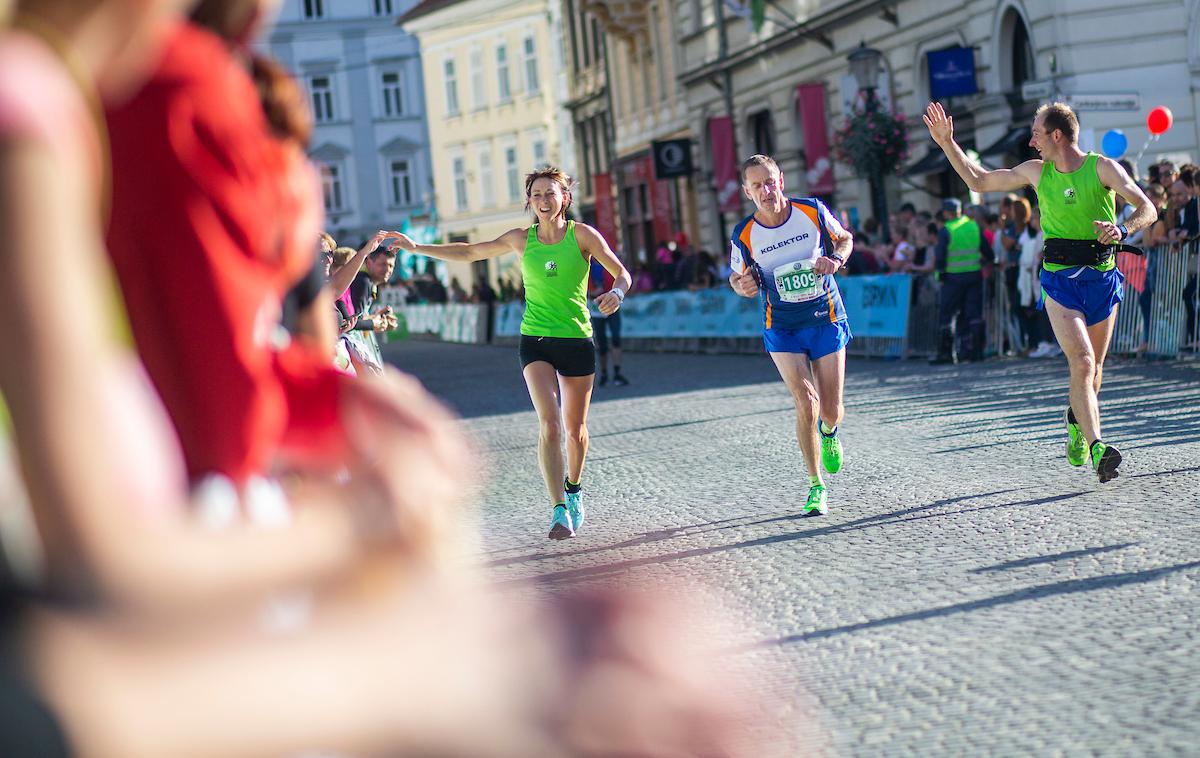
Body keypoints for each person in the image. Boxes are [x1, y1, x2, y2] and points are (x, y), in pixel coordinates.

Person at [387, 167, 632, 540]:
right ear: (529, 202)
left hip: (577, 338)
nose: (544, 201)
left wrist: (617, 293)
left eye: (551, 193)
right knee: (549, 423)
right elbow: (470, 252)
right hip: (534, 339)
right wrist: (416, 248)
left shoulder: (583, 235)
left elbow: (622, 274)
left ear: (565, 197)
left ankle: (574, 489)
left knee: (575, 429)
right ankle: (558, 510)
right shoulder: (521, 239)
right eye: (537, 195)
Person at [924, 100, 1155, 482]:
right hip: (1060, 281)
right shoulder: (1036, 172)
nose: (1032, 142)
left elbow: (1146, 206)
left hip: (1101, 278)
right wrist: (948, 143)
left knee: (1095, 371)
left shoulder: (1102, 168)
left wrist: (1123, 229)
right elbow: (979, 181)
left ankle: (1075, 418)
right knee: (1080, 362)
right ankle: (1099, 447)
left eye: (1036, 134)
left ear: (1057, 135)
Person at [728, 154, 854, 516]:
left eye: (769, 182)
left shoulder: (812, 211)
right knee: (807, 402)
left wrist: (837, 260)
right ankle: (816, 485)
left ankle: (829, 432)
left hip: (825, 317)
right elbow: (736, 278)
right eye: (757, 186)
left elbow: (843, 239)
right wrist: (744, 286)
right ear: (747, 192)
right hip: (781, 325)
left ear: (780, 179)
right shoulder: (744, 234)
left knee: (830, 410)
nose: (766, 191)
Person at [929, 198, 988, 364]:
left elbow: (940, 257)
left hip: (953, 278)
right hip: (974, 276)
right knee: (974, 313)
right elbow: (986, 250)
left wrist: (940, 275)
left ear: (947, 213)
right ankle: (976, 352)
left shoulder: (946, 229)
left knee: (947, 315)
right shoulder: (973, 226)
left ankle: (947, 354)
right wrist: (990, 261)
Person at [587, 257, 629, 387]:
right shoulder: (588, 264)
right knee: (602, 343)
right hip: (596, 307)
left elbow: (621, 277)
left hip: (612, 305)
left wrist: (615, 294)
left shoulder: (610, 263)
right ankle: (604, 373)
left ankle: (617, 371)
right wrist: (592, 292)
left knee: (616, 338)